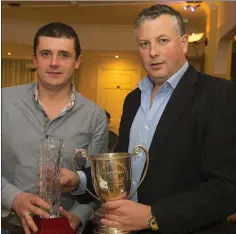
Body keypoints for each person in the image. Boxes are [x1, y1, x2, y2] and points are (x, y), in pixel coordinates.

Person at [98, 4, 236, 234]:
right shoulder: (132, 100)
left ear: (183, 43)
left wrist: (153, 216)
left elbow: (227, 188)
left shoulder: (219, 94)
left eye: (163, 40)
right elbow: (124, 168)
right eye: (145, 44)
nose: (153, 52)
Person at [2, 22, 108, 234]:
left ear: (77, 61)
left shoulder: (95, 117)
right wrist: (13, 198)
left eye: (64, 55)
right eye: (45, 53)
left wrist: (78, 216)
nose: (53, 63)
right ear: (34, 59)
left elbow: (98, 183)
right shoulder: (3, 101)